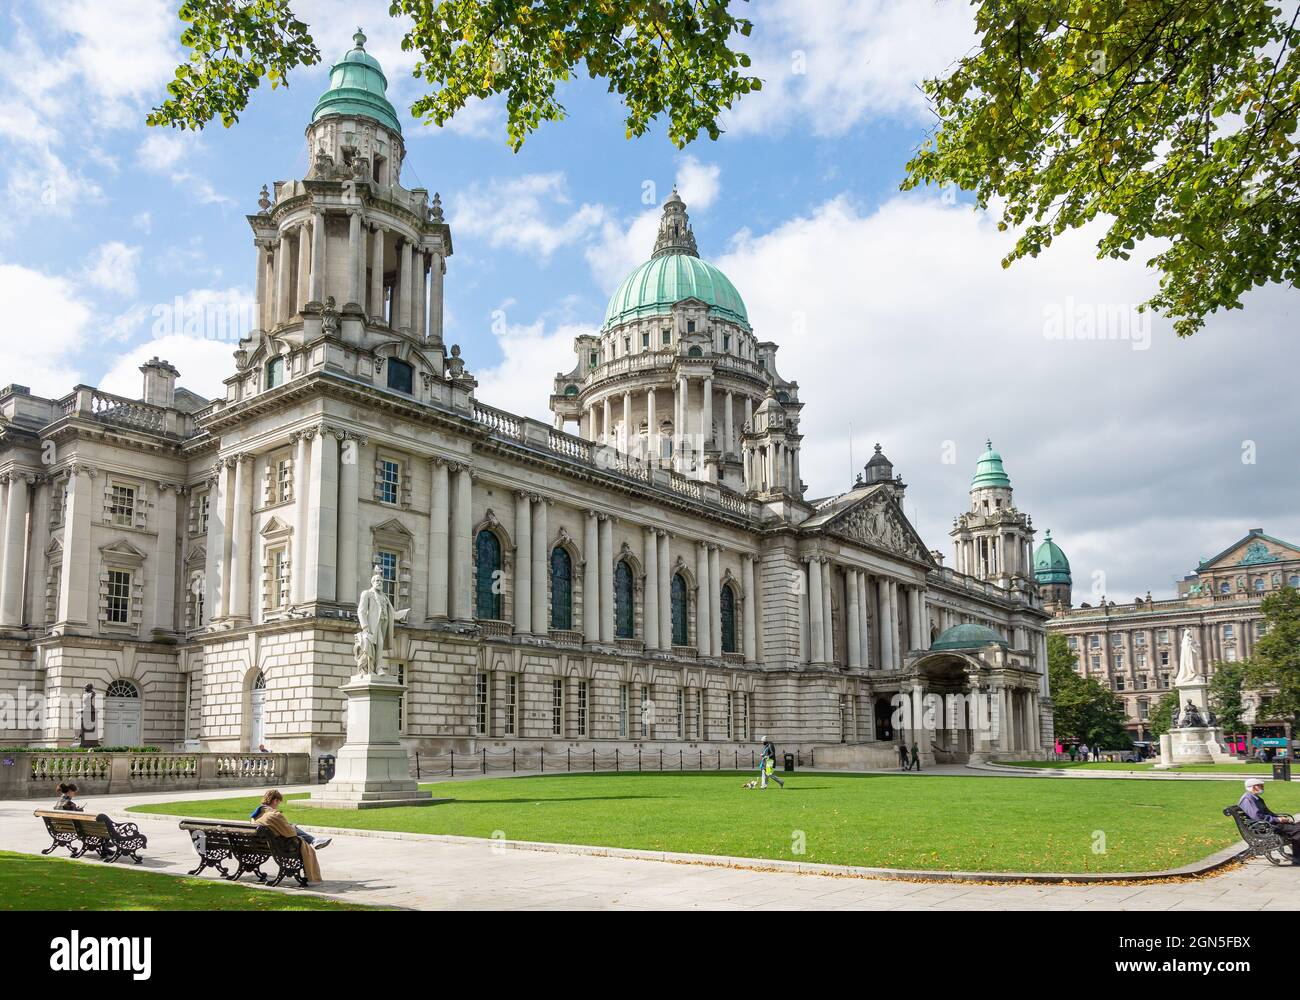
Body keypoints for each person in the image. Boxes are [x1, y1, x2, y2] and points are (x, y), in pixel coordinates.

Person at [1239, 778, 1300, 865]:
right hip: (1264, 828)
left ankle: (1297, 856)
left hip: (1268, 825)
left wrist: (1280, 818)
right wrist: (1277, 819)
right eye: (1260, 786)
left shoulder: (1255, 798)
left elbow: (1267, 813)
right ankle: (1297, 858)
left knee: (1298, 826)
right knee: (1297, 830)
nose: (1263, 787)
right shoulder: (1248, 799)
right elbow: (1257, 817)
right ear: (1253, 787)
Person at [251, 790, 331, 851]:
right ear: (275, 800)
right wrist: (292, 827)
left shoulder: (256, 814)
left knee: (291, 826)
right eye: (278, 803)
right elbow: (290, 833)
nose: (277, 806)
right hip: (277, 845)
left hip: (259, 844)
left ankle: (314, 840)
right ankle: (313, 840)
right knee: (293, 829)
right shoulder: (273, 814)